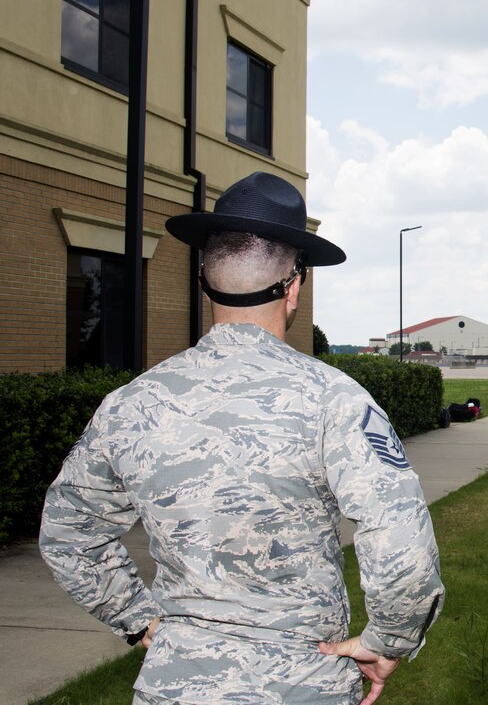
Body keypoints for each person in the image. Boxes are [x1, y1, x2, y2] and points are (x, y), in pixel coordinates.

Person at [38, 172, 445, 704]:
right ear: (294, 286)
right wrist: (388, 640)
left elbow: (68, 532)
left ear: (205, 282)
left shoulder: (131, 404)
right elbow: (401, 541)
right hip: (301, 685)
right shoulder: (332, 398)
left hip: (174, 686)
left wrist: (137, 620)